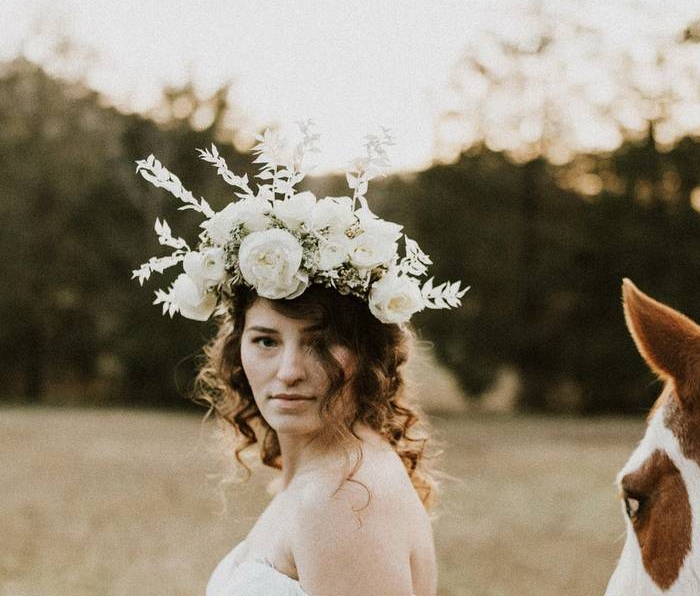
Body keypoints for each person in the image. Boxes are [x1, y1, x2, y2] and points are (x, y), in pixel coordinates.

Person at [132, 125, 467, 596]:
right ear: (238, 348)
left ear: (369, 351)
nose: (289, 370)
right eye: (267, 341)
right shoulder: (324, 474)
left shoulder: (344, 500)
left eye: (320, 341)